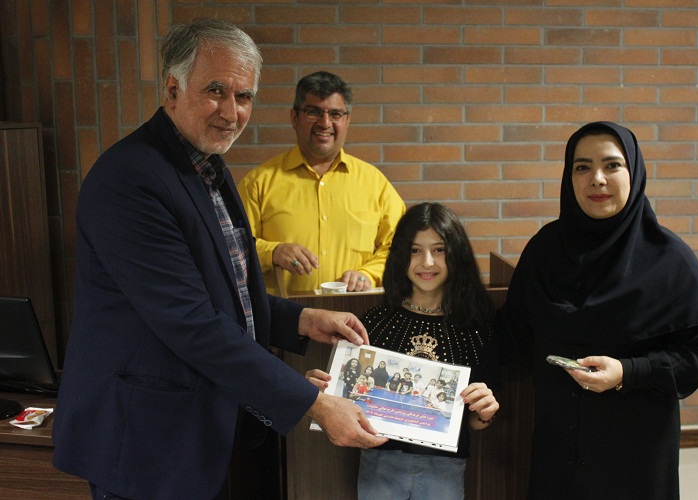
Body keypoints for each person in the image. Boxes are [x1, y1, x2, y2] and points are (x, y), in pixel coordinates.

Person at [51, 19, 386, 500]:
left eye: (244, 96)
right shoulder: (131, 179)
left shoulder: (206, 165)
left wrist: (299, 319)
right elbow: (192, 321)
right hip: (144, 442)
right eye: (215, 91)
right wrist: (314, 404)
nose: (232, 112)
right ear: (172, 89)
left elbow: (227, 291)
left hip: (197, 430)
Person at [493, 121, 698, 499]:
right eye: (582, 167)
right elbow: (510, 333)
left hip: (635, 453)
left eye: (612, 165)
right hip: (558, 449)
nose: (597, 179)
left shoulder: (669, 260)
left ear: (633, 172)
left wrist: (627, 372)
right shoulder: (545, 250)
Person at [307, 202, 501, 499]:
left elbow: (476, 422)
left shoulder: (475, 328)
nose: (427, 262)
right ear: (401, 255)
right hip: (378, 463)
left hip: (445, 469)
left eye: (439, 249)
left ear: (456, 254)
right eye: (415, 250)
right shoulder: (375, 322)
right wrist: (325, 391)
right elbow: (350, 398)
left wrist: (486, 411)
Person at [238, 71, 406, 294]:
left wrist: (368, 274)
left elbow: (402, 246)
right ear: (295, 118)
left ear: (347, 121)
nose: (325, 123)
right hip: (282, 313)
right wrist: (272, 252)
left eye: (335, 114)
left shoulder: (376, 184)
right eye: (313, 112)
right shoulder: (257, 184)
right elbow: (232, 247)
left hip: (356, 311)